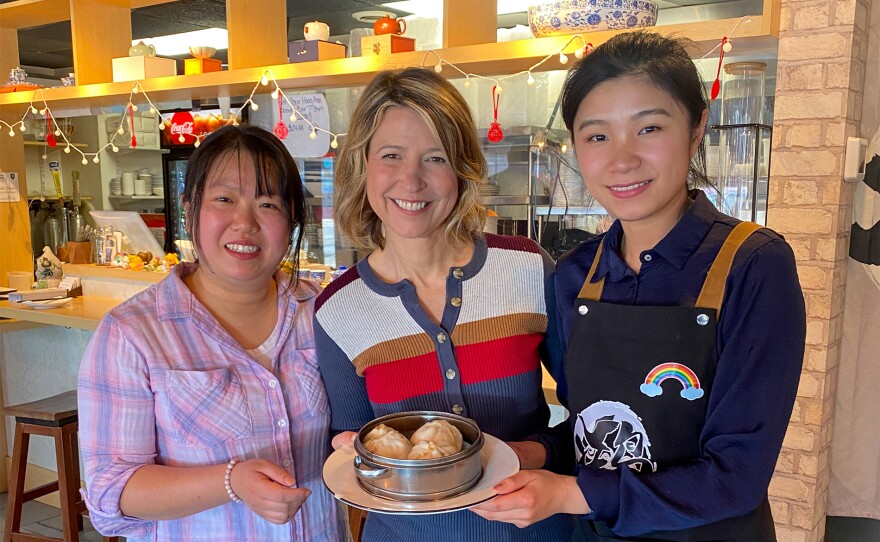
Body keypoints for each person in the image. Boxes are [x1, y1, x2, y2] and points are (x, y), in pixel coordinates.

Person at [472, 31, 806, 541]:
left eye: (648, 128)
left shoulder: (753, 264)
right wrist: (524, 455)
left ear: (696, 130)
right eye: (597, 135)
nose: (621, 159)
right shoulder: (573, 276)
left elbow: (736, 476)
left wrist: (565, 495)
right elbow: (591, 436)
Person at [314, 67, 575, 541]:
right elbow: (351, 451)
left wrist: (530, 454)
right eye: (391, 155)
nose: (410, 180)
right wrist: (350, 449)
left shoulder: (526, 270)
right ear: (363, 165)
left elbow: (590, 417)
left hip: (531, 532)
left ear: (461, 170)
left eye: (434, 158)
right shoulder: (338, 310)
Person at [78, 125, 343, 541]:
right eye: (224, 199)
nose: (245, 223)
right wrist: (230, 482)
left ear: (292, 219)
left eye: (268, 203)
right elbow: (111, 492)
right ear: (189, 209)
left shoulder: (324, 313)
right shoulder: (133, 334)